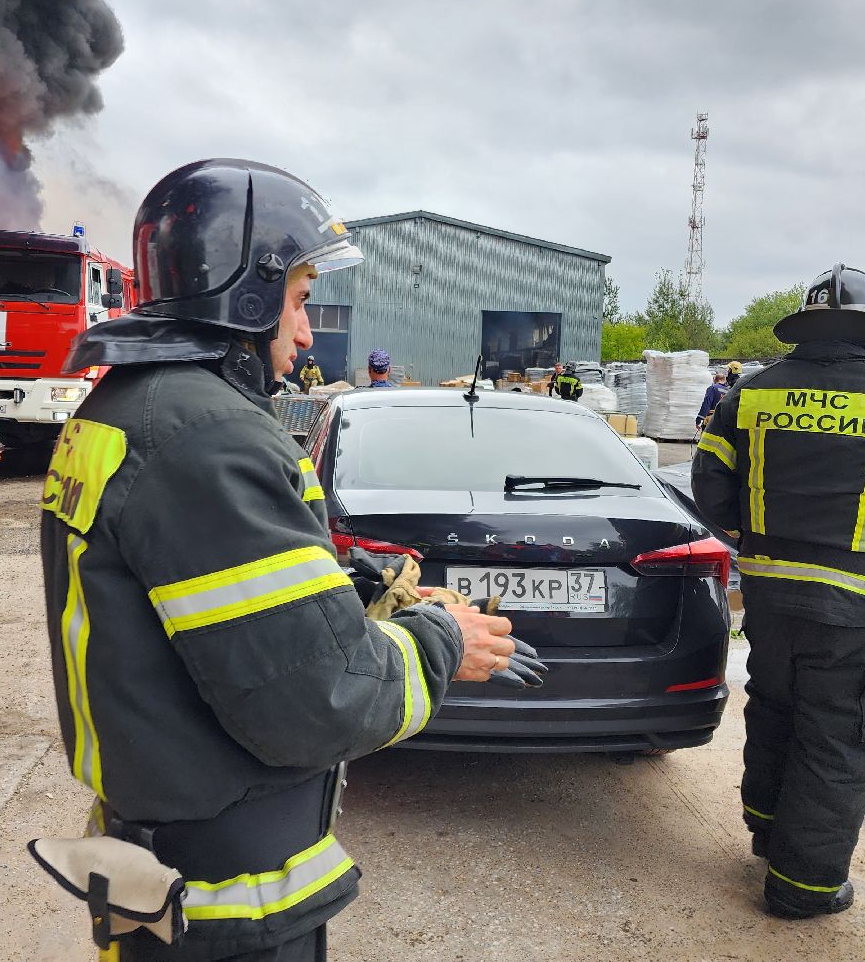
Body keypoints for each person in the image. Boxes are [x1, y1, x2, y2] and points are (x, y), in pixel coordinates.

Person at [39, 159, 518, 961]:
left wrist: (357, 601)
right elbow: (320, 700)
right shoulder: (207, 434)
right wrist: (442, 642)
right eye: (298, 302)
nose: (306, 331)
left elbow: (204, 607)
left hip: (150, 867)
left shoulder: (128, 411)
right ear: (246, 294)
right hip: (225, 906)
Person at [692, 263, 865, 919]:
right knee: (838, 735)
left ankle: (767, 835)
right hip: (858, 610)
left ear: (803, 329)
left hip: (772, 601)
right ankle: (803, 887)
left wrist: (758, 536)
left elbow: (709, 491)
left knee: (775, 710)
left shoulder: (747, 396)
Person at [696, 370, 730, 436]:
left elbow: (706, 404)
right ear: (725, 380)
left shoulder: (713, 388)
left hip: (711, 419)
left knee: (706, 439)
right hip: (725, 420)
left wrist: (699, 419)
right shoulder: (730, 391)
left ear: (715, 380)